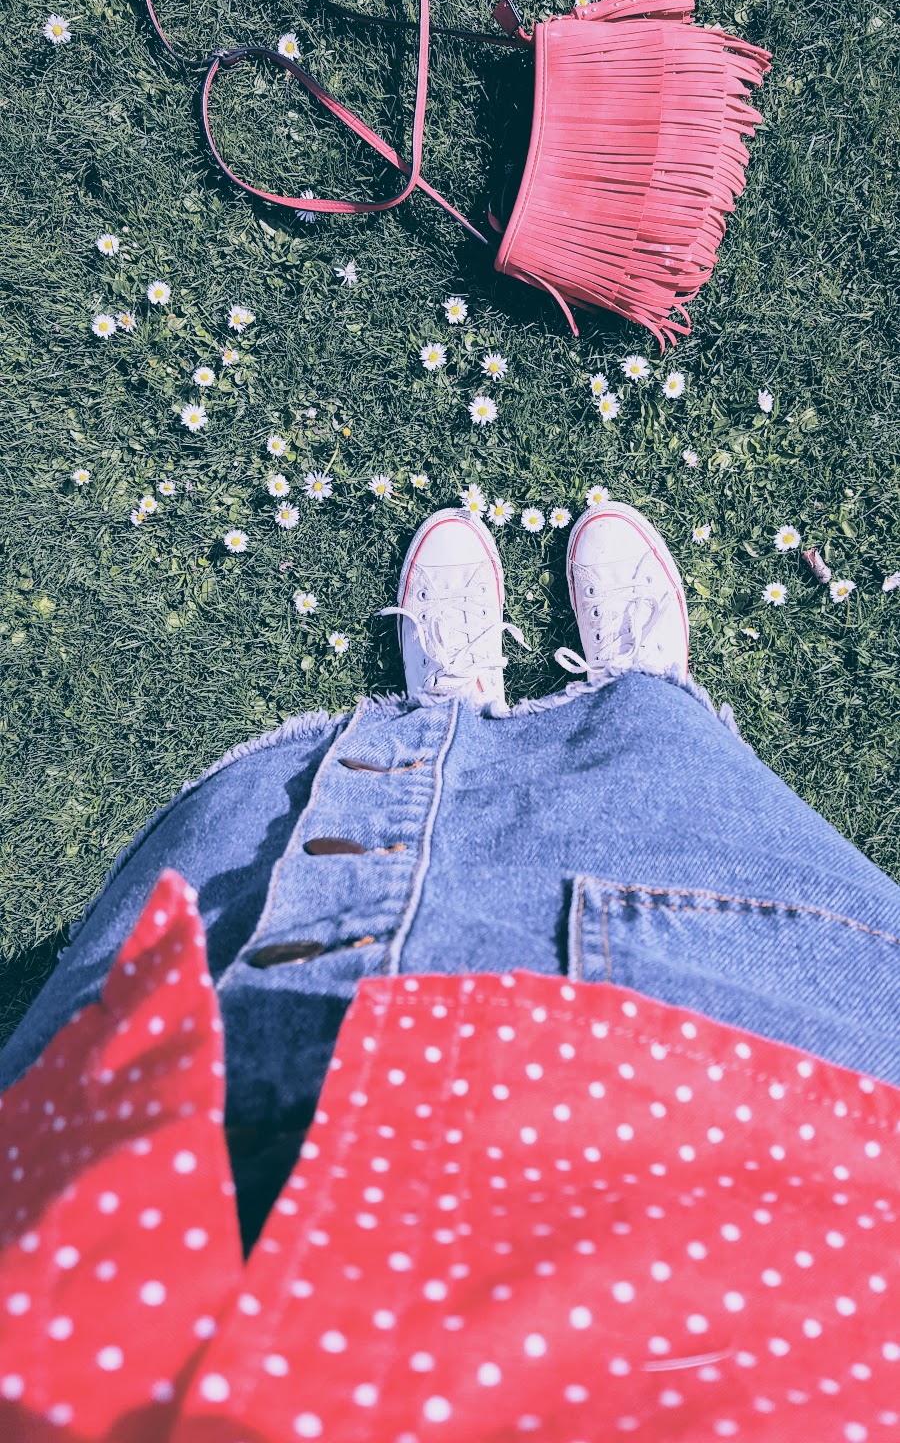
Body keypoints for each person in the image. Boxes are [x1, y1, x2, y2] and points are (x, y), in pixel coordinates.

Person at [2, 502, 899, 1441]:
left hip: (128, 1245)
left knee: (263, 891)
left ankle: (453, 713)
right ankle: (642, 701)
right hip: (775, 1199)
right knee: (684, 818)